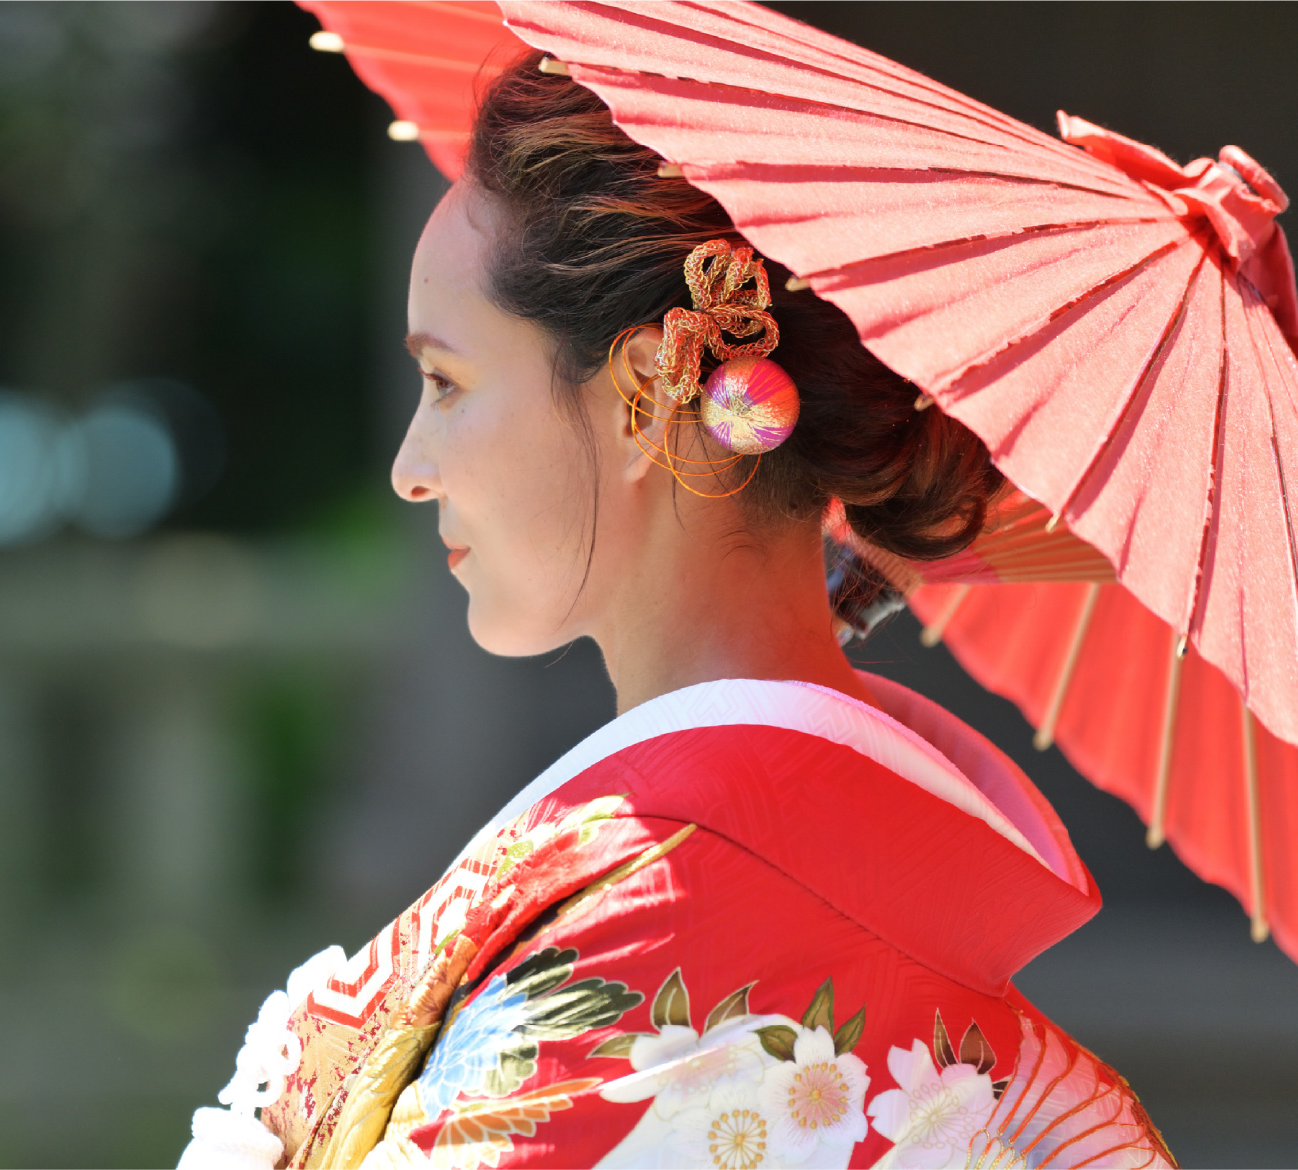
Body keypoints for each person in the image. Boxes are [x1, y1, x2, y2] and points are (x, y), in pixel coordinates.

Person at [179, 59, 1172, 1170]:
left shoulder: (680, 904)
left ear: (649, 390)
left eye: (449, 383)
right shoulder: (742, 850)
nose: (412, 468)